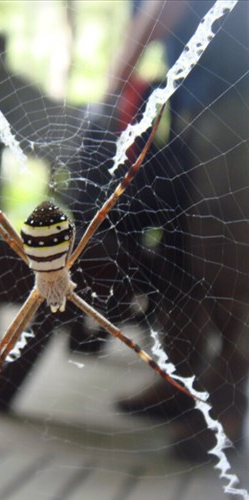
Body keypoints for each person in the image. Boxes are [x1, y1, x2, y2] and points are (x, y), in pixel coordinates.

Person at [68, 0, 249, 458]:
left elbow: (164, 8)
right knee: (180, 250)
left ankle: (223, 402)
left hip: (234, 105)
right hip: (198, 105)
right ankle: (178, 381)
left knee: (226, 261)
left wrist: (111, 93)